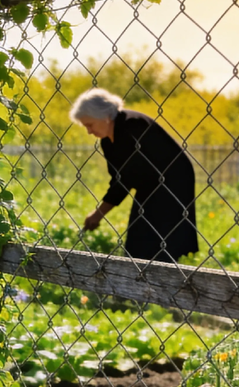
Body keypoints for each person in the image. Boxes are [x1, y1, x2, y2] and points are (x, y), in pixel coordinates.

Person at [70, 88, 198, 262]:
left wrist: (99, 213)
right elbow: (119, 179)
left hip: (172, 182)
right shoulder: (108, 141)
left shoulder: (132, 125)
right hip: (148, 185)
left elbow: (126, 178)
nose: (89, 132)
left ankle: (162, 278)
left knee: (161, 240)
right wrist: (99, 213)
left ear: (105, 116)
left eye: (90, 124)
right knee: (139, 239)